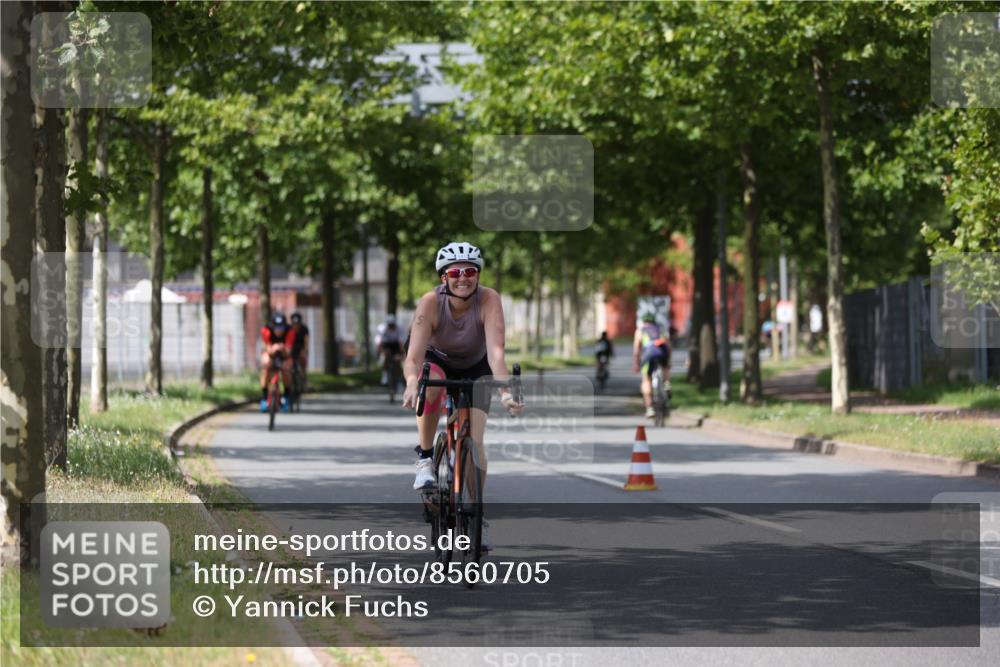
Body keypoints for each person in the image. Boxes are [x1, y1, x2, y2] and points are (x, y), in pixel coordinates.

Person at [401, 242, 524, 550]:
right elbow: (413, 357)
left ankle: (476, 516)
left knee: (476, 441)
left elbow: (496, 354)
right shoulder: (430, 302)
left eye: (470, 271)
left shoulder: (489, 299)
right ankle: (426, 459)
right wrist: (411, 382)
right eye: (455, 272)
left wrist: (507, 390)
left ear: (478, 275)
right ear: (444, 277)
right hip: (436, 360)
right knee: (432, 383)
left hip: (476, 364)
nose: (463, 278)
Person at [632, 312, 670, 418]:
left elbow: (637, 349)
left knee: (646, 379)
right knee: (665, 367)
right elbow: (668, 344)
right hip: (662, 351)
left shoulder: (640, 331)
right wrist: (668, 362)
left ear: (643, 321)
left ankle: (649, 408)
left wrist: (636, 363)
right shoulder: (660, 329)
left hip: (649, 353)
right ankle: (667, 384)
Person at [260, 312, 297, 412]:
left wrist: (282, 348)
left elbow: (288, 351)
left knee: (286, 369)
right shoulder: (266, 330)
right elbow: (267, 348)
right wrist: (273, 349)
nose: (278, 331)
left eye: (281, 328)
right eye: (276, 328)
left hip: (285, 355)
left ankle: (286, 397)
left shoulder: (290, 331)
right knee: (266, 366)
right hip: (271, 353)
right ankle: (264, 398)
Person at [376, 315, 403, 385]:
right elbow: (379, 343)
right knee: (386, 357)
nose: (391, 327)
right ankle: (385, 375)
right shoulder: (382, 329)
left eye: (392, 325)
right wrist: (383, 351)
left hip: (396, 346)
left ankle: (399, 380)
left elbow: (401, 343)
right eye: (389, 325)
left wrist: (401, 354)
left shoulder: (399, 329)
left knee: (397, 362)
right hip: (386, 345)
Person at [290, 312, 309, 387]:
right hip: (291, 348)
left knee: (302, 358)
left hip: (301, 348)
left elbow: (306, 340)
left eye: (297, 323)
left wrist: (305, 350)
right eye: (294, 324)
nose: (296, 325)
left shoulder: (304, 329)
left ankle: (303, 377)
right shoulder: (289, 329)